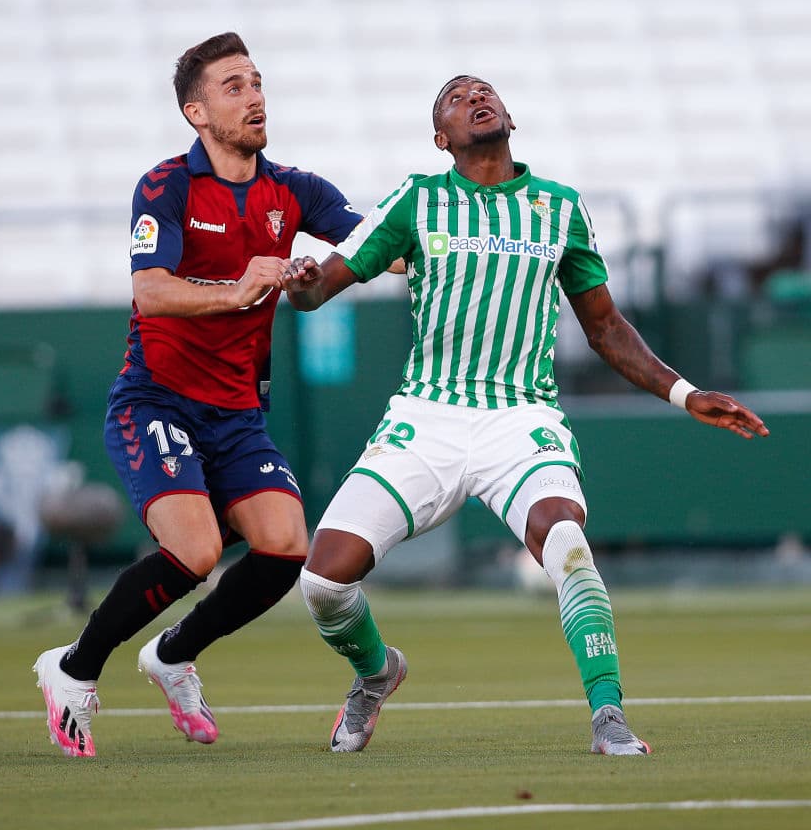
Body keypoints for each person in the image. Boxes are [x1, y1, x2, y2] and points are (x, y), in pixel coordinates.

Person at [283, 74, 770, 756]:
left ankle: (608, 716)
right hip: (426, 417)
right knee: (323, 583)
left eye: (485, 91)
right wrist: (303, 285)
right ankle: (375, 673)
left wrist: (685, 393)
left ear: (509, 117)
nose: (477, 98)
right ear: (441, 138)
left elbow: (606, 328)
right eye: (457, 98)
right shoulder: (417, 200)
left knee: (565, 540)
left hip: (520, 417)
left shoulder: (559, 207)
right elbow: (318, 291)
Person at [33, 31, 365, 757]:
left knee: (285, 547)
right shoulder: (166, 186)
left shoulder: (295, 190)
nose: (254, 96)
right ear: (197, 112)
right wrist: (241, 288)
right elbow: (151, 292)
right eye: (233, 86)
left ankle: (173, 653)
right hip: (156, 400)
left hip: (238, 412)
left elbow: (378, 243)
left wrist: (325, 276)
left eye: (257, 82)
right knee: (196, 551)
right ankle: (74, 669)